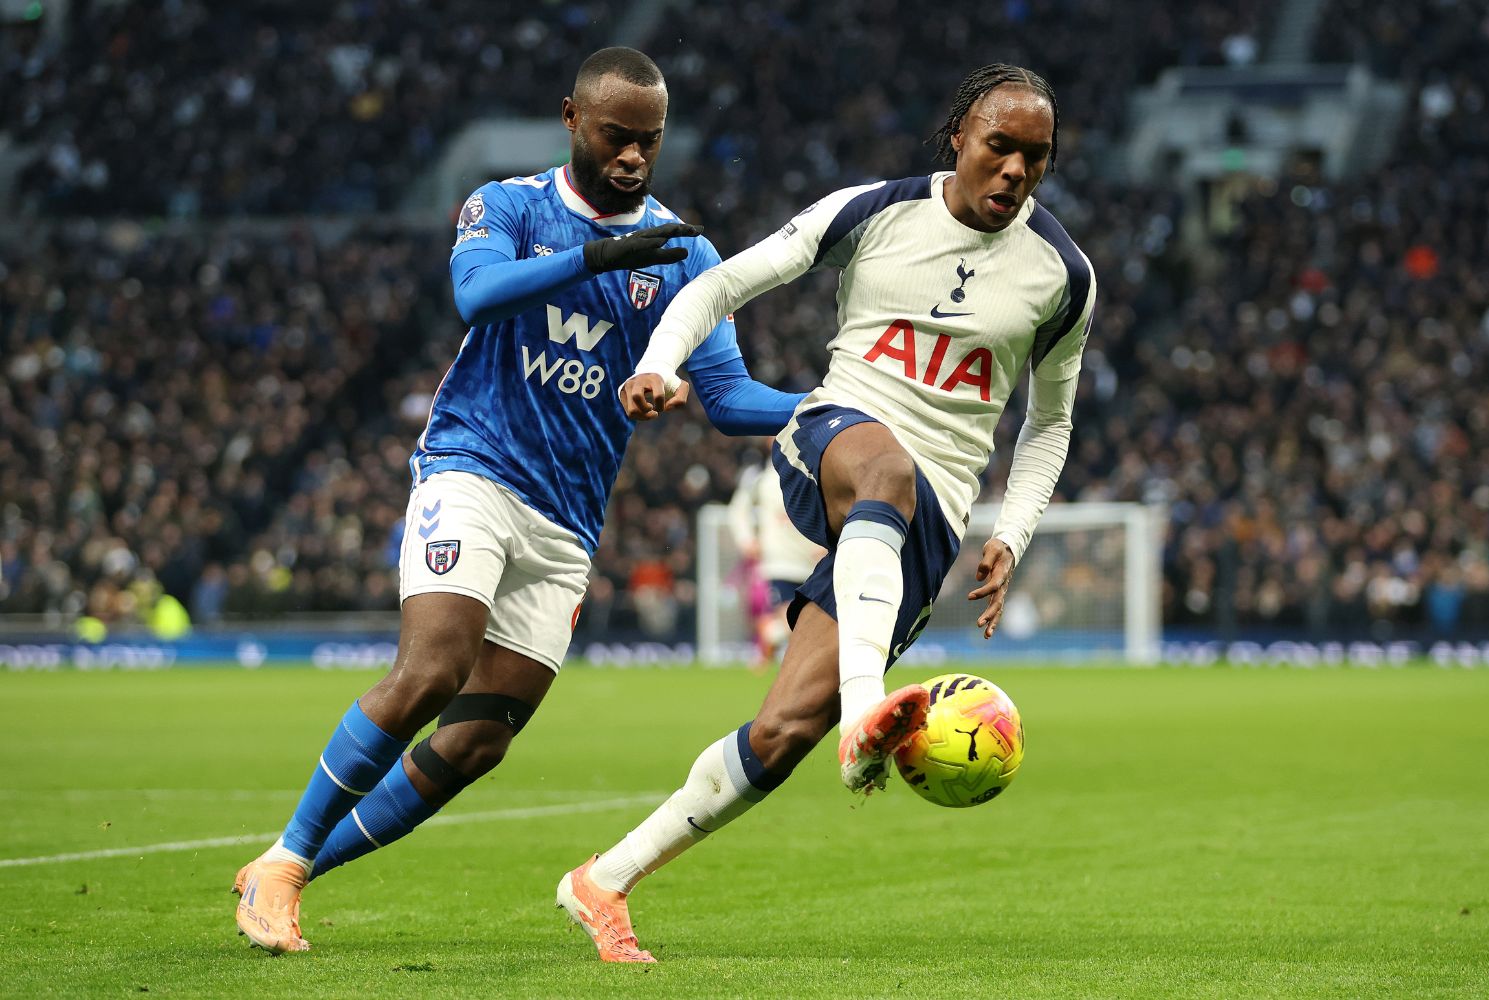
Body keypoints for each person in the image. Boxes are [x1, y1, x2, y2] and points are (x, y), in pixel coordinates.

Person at [231, 46, 802, 955]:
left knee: (478, 742)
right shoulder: (506, 205)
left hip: (567, 519)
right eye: (617, 136)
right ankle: (287, 855)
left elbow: (730, 399)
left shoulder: (688, 253)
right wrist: (596, 256)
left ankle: (287, 869)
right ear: (572, 117)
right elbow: (476, 294)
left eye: (649, 142)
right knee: (432, 671)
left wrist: (836, 403)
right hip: (472, 468)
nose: (633, 158)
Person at [557, 62, 1095, 963]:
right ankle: (866, 716)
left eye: (1035, 159)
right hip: (836, 437)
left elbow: (1051, 422)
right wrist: (659, 360)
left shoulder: (1063, 276)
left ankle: (603, 881)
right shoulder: (872, 211)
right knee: (884, 464)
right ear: (960, 134)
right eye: (1000, 147)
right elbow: (717, 286)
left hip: (933, 515)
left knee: (782, 730)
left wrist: (1011, 532)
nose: (1015, 171)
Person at [725, 449, 826, 668]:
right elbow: (738, 510)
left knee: (808, 619)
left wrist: (826, 543)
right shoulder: (762, 477)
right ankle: (771, 642)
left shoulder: (815, 471)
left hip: (813, 562)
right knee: (793, 615)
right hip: (779, 561)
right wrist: (746, 539)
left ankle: (771, 636)